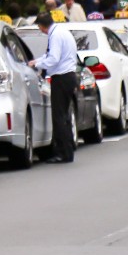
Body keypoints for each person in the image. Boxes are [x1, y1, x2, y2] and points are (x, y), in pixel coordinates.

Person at [28, 11, 80, 163]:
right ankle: (68, 149)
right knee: (65, 115)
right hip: (69, 76)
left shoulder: (55, 36)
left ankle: (63, 153)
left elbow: (54, 59)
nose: (39, 30)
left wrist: (37, 64)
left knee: (58, 117)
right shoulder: (62, 31)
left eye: (39, 26)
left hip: (61, 77)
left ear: (42, 26)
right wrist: (37, 60)